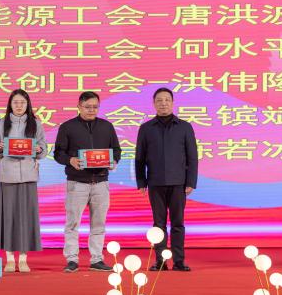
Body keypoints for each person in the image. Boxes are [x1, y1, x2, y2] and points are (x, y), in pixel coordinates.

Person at [53, 91, 121, 273]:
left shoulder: (107, 126)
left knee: (99, 224)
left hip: (101, 183)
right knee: (72, 224)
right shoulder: (67, 127)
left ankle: (97, 259)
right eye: (87, 107)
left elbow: (116, 150)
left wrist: (114, 161)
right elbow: (58, 153)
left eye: (95, 107)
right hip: (77, 183)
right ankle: (72, 259)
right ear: (79, 106)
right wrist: (70, 160)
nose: (91, 110)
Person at [135, 87, 198, 272]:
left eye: (167, 100)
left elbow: (192, 157)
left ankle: (179, 261)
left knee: (178, 223)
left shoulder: (185, 127)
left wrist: (190, 181)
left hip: (178, 183)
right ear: (154, 104)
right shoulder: (146, 128)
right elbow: (139, 158)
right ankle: (160, 261)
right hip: (155, 183)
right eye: (159, 100)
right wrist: (141, 181)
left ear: (172, 103)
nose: (163, 103)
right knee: (158, 224)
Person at [0, 89, 47, 273]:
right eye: (16, 102)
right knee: (9, 218)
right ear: (10, 104)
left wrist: (38, 149)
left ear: (27, 104)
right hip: (7, 176)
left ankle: (23, 259)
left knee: (25, 218)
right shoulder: (1, 123)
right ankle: (9, 259)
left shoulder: (35, 124)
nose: (19, 106)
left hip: (28, 176)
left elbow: (44, 148)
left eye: (22, 102)